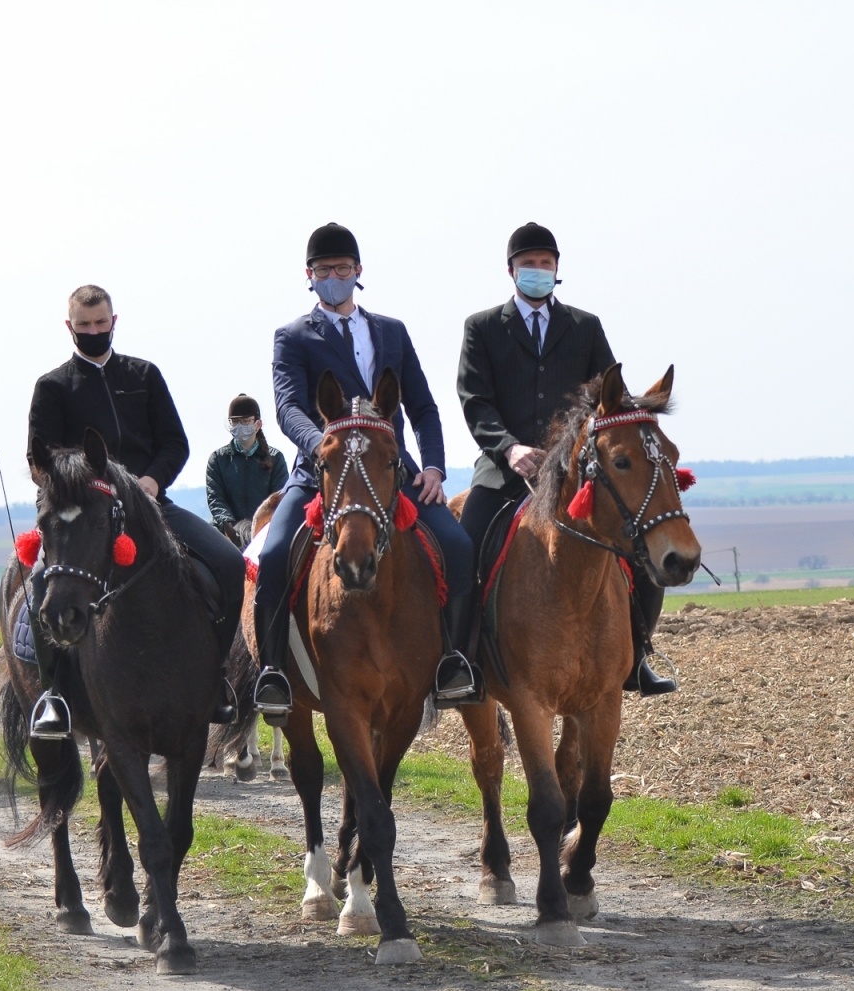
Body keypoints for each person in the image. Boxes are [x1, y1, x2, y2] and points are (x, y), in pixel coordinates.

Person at [252, 223, 481, 713]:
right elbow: (288, 407)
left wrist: (434, 468)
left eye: (341, 268)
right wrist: (321, 445)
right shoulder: (292, 337)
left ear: (358, 270)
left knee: (459, 546)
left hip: (389, 471)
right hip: (322, 471)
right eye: (323, 270)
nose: (333, 277)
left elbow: (423, 407)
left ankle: (455, 661)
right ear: (308, 275)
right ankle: (273, 673)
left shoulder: (391, 331)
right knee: (272, 556)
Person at [457, 221, 675, 695]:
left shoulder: (585, 326)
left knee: (641, 548)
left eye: (545, 263)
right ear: (511, 270)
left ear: (557, 269)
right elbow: (475, 400)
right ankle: (461, 661)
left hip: (576, 473)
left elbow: (610, 398)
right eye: (528, 263)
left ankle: (637, 656)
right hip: (504, 472)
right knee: (463, 549)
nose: (537, 270)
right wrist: (509, 447)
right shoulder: (483, 327)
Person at [27, 284, 246, 729]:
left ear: (114, 322)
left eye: (100, 323)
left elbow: (175, 443)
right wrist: (82, 485)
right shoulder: (51, 387)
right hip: (79, 516)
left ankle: (218, 677)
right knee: (38, 585)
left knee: (228, 563)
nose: (93, 331)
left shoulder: (145, 375)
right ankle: (54, 695)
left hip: (150, 505)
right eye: (84, 325)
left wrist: (151, 481)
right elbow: (38, 461)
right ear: (70, 327)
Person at [205, 394, 288, 547]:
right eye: (235, 421)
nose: (240, 426)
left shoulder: (275, 458)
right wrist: (230, 527)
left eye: (245, 421)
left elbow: (278, 498)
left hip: (264, 532)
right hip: (227, 533)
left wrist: (260, 528)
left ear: (258, 424)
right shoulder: (218, 459)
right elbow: (216, 499)